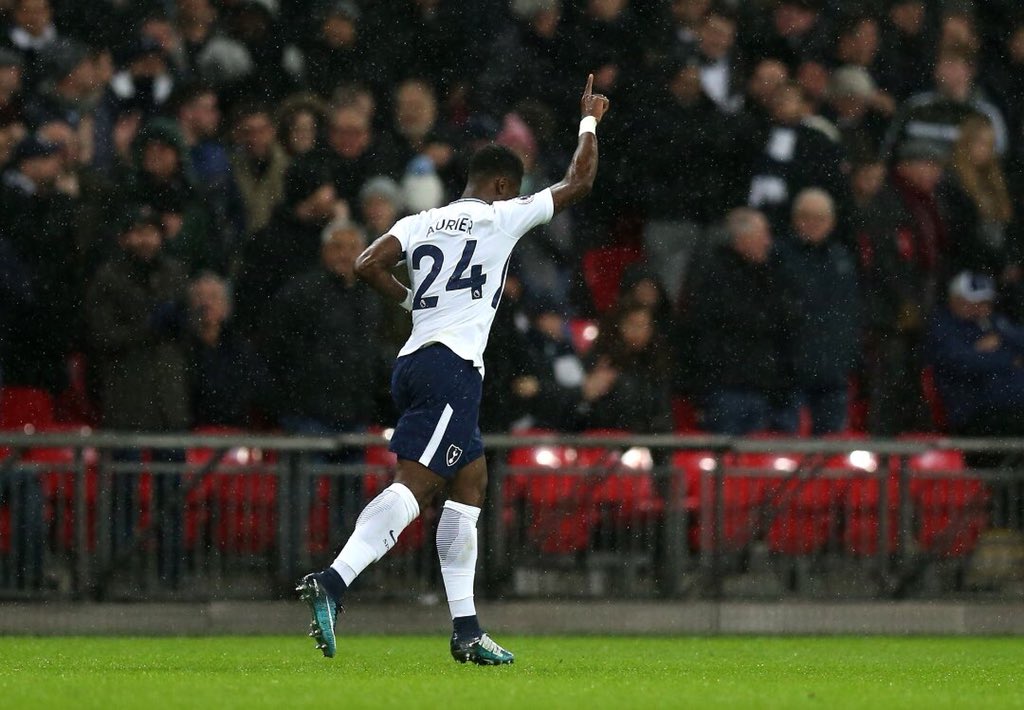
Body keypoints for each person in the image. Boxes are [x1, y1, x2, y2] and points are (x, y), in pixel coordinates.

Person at [297, 75, 609, 664]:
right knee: (416, 486)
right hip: (453, 368)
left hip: (415, 359)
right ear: (499, 185)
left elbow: (365, 264)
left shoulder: (421, 220)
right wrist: (588, 121)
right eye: (510, 189)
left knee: (470, 483)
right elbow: (579, 181)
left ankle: (466, 630)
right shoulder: (502, 216)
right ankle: (332, 582)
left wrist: (412, 301)